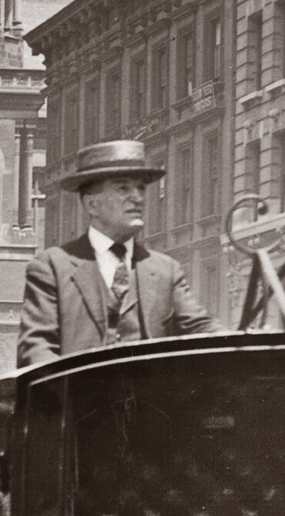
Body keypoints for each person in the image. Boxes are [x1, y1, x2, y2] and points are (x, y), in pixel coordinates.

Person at [17, 138, 215, 368]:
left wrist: (247, 342)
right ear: (92, 205)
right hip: (78, 400)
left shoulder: (166, 270)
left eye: (141, 188)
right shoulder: (52, 268)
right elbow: (37, 350)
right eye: (123, 188)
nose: (138, 197)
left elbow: (203, 330)